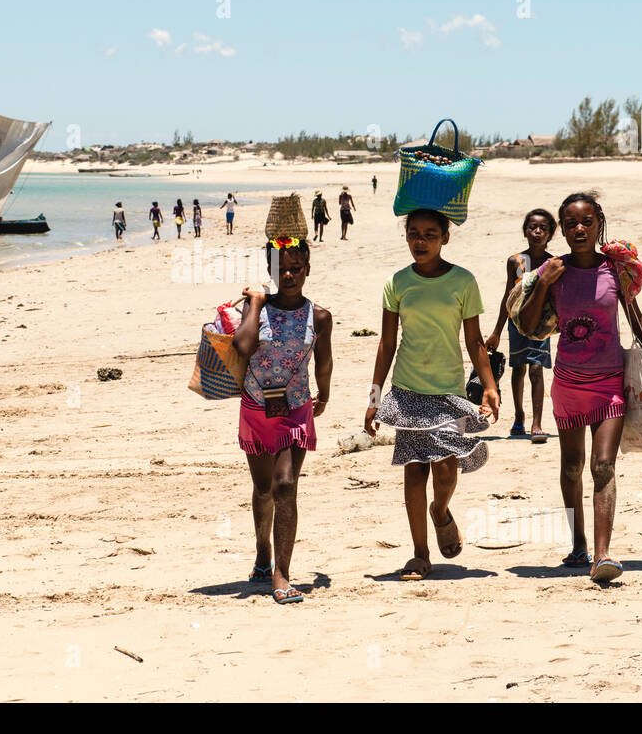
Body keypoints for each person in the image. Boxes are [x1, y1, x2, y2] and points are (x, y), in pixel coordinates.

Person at [517, 192, 642, 583]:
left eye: (586, 222)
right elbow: (527, 323)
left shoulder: (615, 270)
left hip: (609, 383)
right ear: (562, 227)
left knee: (603, 465)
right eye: (571, 223)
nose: (579, 229)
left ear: (598, 223)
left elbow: (635, 317)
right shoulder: (552, 270)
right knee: (572, 466)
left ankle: (603, 555)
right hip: (569, 384)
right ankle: (578, 544)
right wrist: (544, 284)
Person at [365, 209, 499, 580]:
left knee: (445, 470)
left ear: (445, 238)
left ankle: (440, 511)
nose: (420, 241)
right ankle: (420, 554)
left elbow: (474, 340)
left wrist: (489, 386)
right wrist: (375, 398)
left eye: (429, 234)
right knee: (413, 472)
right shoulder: (396, 283)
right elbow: (386, 343)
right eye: (413, 234)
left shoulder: (463, 282)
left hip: (447, 391)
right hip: (407, 389)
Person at [232, 237, 333, 605]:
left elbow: (323, 359)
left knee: (285, 484)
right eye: (280, 268)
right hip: (257, 408)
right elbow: (243, 347)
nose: (288, 274)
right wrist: (256, 303)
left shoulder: (318, 316)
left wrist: (325, 392)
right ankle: (263, 553)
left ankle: (282, 572)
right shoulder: (255, 307)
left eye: (296, 268)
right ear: (270, 272)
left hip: (295, 408)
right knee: (263, 489)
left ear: (308, 269)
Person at [487, 209, 555, 443]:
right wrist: (496, 331)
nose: (537, 232)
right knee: (519, 368)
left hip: (541, 325)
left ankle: (537, 423)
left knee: (536, 368)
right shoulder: (516, 261)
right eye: (532, 227)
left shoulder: (553, 263)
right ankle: (519, 416)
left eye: (543, 228)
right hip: (516, 323)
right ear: (525, 231)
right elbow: (509, 297)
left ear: (551, 233)